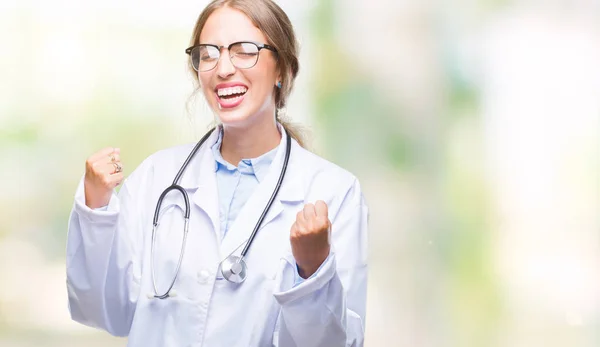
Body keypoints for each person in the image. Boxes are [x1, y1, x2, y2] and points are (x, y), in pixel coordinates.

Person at [65, 0, 368, 346]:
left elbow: (336, 343)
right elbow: (104, 311)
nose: (223, 68)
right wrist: (96, 207)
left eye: (243, 51)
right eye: (208, 54)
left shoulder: (335, 192)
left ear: (282, 69)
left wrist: (313, 271)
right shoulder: (156, 177)